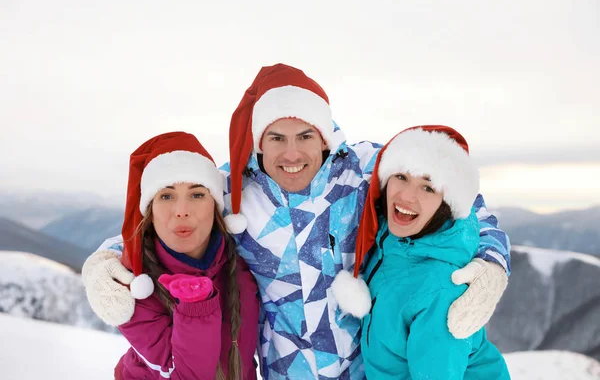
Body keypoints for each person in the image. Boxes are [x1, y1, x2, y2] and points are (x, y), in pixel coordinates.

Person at [82, 64, 511, 379]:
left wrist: (492, 264)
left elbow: (460, 201)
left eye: (305, 136)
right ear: (258, 143)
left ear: (324, 137)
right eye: (277, 138)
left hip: (363, 369)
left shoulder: (364, 171)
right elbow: (168, 220)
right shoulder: (232, 190)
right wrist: (105, 261)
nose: (292, 154)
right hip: (285, 371)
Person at [336, 125, 510, 379]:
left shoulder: (440, 289)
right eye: (402, 177)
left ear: (447, 204)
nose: (407, 195)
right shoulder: (392, 240)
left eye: (428, 187)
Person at [105, 132, 259, 379]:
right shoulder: (132, 287)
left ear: (215, 204)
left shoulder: (241, 265)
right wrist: (196, 304)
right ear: (150, 211)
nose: (182, 211)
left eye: (197, 194)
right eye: (166, 196)